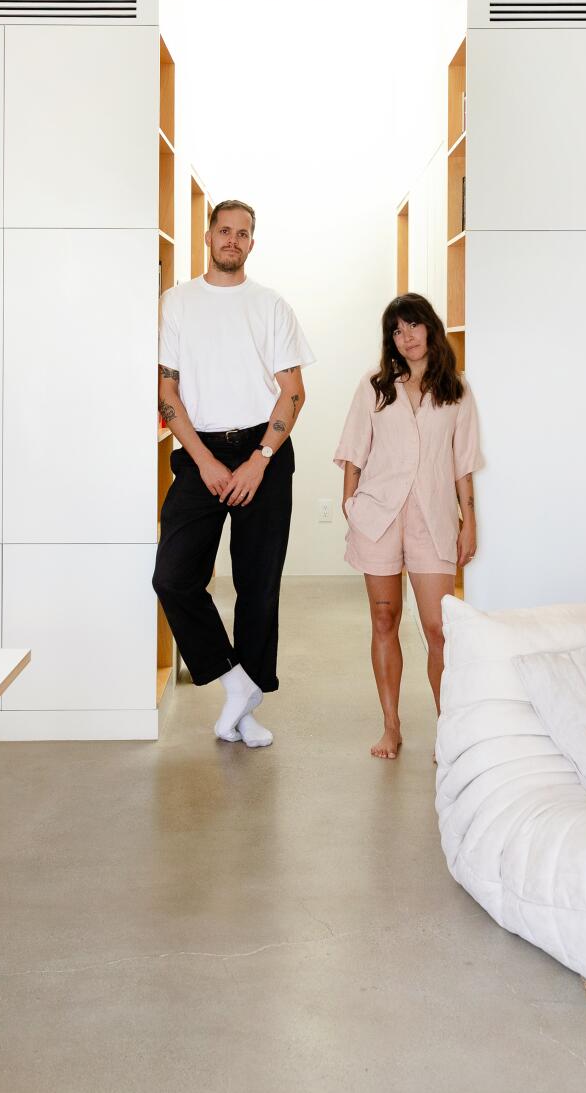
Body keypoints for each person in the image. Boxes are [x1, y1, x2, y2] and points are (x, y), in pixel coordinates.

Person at [153, 200, 313, 749]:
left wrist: (257, 461)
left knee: (258, 586)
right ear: (208, 236)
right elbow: (167, 391)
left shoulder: (270, 306)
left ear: (251, 243)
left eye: (243, 234)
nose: (233, 240)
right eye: (225, 230)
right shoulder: (175, 303)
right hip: (201, 452)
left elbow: (292, 392)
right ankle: (234, 680)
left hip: (263, 453)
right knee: (173, 576)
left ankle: (246, 712)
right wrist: (204, 460)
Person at [332, 292, 481, 760]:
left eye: (413, 326)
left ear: (430, 328)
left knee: (438, 628)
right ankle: (391, 727)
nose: (406, 336)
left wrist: (468, 521)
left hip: (434, 518)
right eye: (397, 330)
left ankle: (448, 729)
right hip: (378, 516)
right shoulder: (374, 386)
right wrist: (349, 503)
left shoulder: (456, 389)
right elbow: (354, 449)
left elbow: (464, 464)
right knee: (384, 619)